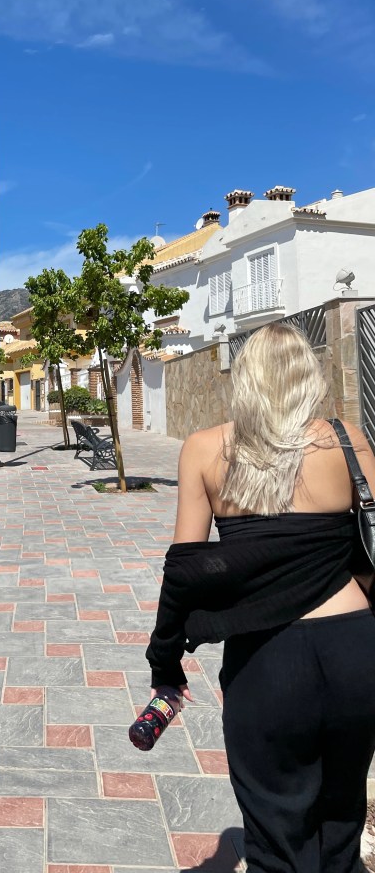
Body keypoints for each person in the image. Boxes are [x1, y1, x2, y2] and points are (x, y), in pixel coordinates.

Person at [146, 322, 375, 873]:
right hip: (355, 648)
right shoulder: (346, 439)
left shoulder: (206, 448)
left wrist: (165, 663)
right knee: (341, 820)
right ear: (309, 375)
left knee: (275, 833)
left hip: (268, 658)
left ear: (244, 378)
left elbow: (185, 572)